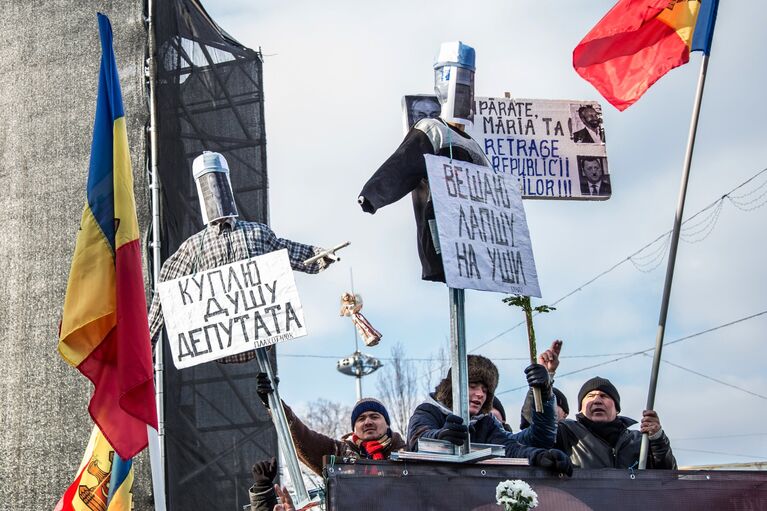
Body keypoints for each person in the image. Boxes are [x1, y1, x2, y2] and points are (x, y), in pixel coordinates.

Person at [147, 151, 335, 363]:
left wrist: (322, 256)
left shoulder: (257, 233)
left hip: (259, 338)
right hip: (219, 344)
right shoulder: (193, 248)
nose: (215, 193)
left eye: (218, 184)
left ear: (227, 185)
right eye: (208, 188)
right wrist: (147, 345)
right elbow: (166, 291)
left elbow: (286, 251)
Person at [359, 41, 491, 282]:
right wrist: (373, 194)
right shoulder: (432, 130)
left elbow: (493, 193)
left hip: (474, 241)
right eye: (456, 85)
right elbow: (403, 163)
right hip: (441, 230)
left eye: (466, 85)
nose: (461, 93)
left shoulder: (474, 147)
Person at [407, 355, 573, 476]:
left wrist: (539, 456)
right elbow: (418, 439)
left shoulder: (486, 424)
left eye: (485, 390)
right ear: (453, 388)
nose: (480, 394)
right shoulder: (428, 411)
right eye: (473, 386)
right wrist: (441, 436)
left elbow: (510, 449)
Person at [256, 373, 406, 476]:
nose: (367, 422)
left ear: (387, 423)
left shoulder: (406, 455)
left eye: (374, 416)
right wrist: (274, 404)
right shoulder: (339, 453)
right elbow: (302, 437)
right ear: (354, 428)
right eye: (361, 419)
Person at [553, 376, 677, 469]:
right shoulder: (565, 432)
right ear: (581, 407)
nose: (597, 400)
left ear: (617, 409)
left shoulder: (640, 440)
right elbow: (539, 435)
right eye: (590, 396)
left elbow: (669, 476)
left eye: (604, 396)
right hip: (582, 503)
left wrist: (658, 439)